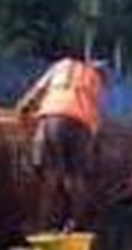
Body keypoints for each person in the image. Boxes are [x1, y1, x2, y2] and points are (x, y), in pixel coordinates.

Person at [16, 57, 108, 231]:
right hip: (81, 127)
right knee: (76, 179)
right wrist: (92, 147)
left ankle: (42, 226)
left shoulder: (63, 65)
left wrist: (22, 110)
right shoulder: (95, 81)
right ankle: (75, 224)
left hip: (52, 119)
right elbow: (95, 123)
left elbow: (36, 92)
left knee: (50, 177)